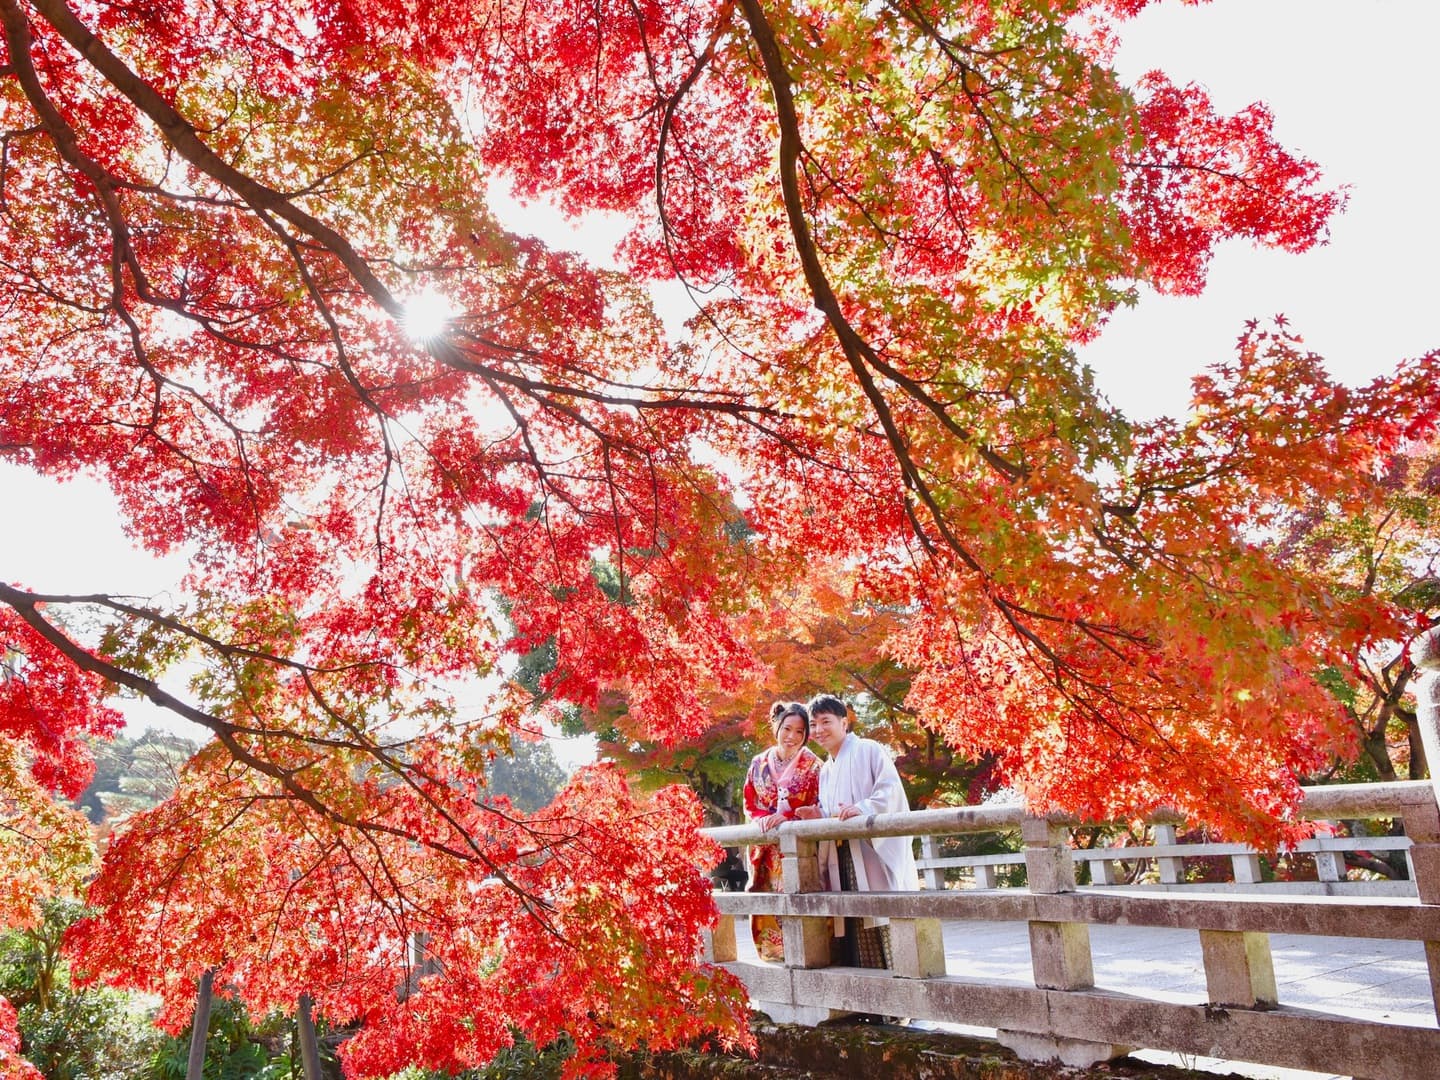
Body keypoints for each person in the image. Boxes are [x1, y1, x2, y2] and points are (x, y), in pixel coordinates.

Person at [794, 694, 917, 967]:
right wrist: (819, 814)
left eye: (826, 721)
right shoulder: (826, 770)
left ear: (844, 722)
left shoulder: (868, 749)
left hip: (870, 850)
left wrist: (862, 808)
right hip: (843, 855)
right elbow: (834, 811)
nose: (819, 729)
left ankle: (898, 982)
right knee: (856, 926)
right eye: (814, 724)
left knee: (881, 917)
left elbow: (890, 791)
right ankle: (871, 989)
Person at [742, 701, 823, 961]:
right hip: (764, 846)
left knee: (798, 895)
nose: (792, 736)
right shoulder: (758, 763)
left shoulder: (814, 765)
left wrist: (787, 816)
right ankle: (773, 953)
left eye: (800, 731)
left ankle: (805, 951)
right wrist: (762, 818)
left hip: (797, 847)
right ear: (777, 727)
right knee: (765, 895)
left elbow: (819, 804)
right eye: (787, 729)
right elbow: (750, 802)